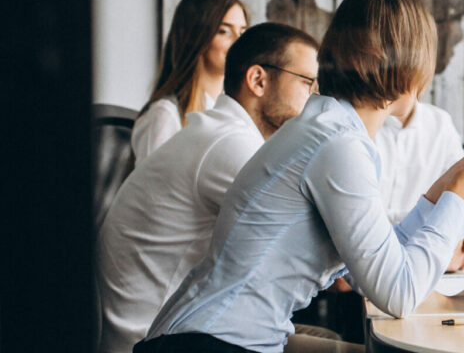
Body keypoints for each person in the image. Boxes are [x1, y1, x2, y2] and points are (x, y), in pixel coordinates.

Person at [136, 0, 464, 352]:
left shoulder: (331, 127)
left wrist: (446, 188)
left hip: (213, 334)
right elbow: (398, 294)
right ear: (412, 70)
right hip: (210, 343)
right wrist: (461, 196)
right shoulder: (337, 144)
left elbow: (371, 266)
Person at [95, 23, 318, 353]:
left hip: (182, 325)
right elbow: (311, 245)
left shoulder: (219, 133)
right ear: (258, 80)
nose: (315, 100)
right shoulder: (231, 146)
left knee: (329, 341)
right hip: (155, 339)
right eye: (307, 84)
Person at [133, 0, 249, 166]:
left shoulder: (236, 113)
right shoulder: (164, 116)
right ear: (195, 37)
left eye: (242, 32)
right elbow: (151, 192)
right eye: (224, 31)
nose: (239, 42)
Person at [376, 88, 464, 239]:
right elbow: (368, 222)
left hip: (429, 242)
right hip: (382, 247)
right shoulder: (363, 123)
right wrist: (448, 215)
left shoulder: (439, 121)